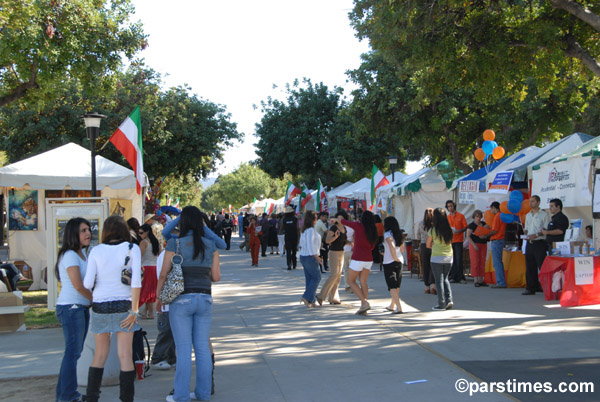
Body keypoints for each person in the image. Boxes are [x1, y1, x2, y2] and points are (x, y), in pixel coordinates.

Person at [156, 206, 221, 402]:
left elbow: (163, 274)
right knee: (201, 347)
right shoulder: (211, 245)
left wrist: (159, 298)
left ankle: (181, 395)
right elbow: (216, 277)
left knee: (183, 349)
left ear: (182, 222)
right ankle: (203, 393)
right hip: (204, 298)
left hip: (181, 300)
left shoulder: (175, 244)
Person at [83, 215, 142, 402]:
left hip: (100, 305)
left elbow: (87, 282)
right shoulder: (132, 248)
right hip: (125, 305)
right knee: (125, 355)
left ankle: (92, 397)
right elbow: (136, 282)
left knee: (99, 355)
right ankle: (126, 399)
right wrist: (134, 310)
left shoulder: (96, 250)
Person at [55, 217, 93, 402]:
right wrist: (95, 300)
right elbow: (78, 285)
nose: (88, 233)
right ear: (73, 234)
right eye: (83, 231)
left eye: (88, 229)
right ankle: (68, 396)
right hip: (71, 308)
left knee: (73, 353)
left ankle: (65, 395)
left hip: (80, 308)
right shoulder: (70, 255)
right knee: (73, 353)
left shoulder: (82, 254)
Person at [339, 210, 378, 314]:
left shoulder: (358, 226)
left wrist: (338, 219)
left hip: (358, 258)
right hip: (368, 258)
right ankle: (363, 305)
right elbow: (373, 246)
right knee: (363, 282)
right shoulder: (374, 230)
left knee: (351, 281)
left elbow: (345, 222)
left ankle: (364, 302)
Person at [150, 249, 176, 370]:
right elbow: (162, 276)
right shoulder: (167, 254)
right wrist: (159, 297)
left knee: (172, 332)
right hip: (166, 300)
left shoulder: (170, 253)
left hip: (171, 299)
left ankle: (171, 357)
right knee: (166, 330)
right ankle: (157, 357)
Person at [316, 212, 347, 305]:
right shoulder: (334, 228)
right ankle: (321, 296)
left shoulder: (344, 228)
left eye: (342, 218)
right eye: (338, 218)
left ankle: (333, 298)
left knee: (338, 277)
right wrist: (335, 237)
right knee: (334, 275)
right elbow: (328, 240)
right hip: (333, 252)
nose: (340, 220)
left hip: (341, 253)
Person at [522, 196, 551, 295]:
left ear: (538, 202)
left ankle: (546, 287)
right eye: (530, 201)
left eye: (533, 201)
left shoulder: (544, 215)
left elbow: (546, 230)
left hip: (540, 242)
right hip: (530, 243)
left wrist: (537, 234)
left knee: (542, 265)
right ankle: (531, 287)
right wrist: (525, 234)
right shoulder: (528, 215)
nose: (530, 203)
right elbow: (527, 228)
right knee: (530, 266)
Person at [427, 208, 454, 311]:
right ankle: (449, 299)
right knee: (446, 279)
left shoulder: (433, 230)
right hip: (449, 257)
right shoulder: (449, 229)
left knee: (439, 281)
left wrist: (434, 244)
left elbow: (428, 245)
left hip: (437, 257)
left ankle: (441, 303)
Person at [298, 211, 322, 308]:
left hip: (304, 255)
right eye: (316, 217)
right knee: (317, 277)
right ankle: (306, 297)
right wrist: (318, 257)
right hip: (310, 256)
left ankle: (310, 300)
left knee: (310, 278)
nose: (317, 219)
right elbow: (311, 246)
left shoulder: (304, 230)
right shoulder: (311, 231)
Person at [382, 216, 405, 314]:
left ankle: (399, 307)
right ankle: (392, 305)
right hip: (400, 260)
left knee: (391, 285)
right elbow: (402, 249)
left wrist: (393, 256)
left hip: (389, 261)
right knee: (397, 284)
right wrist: (397, 256)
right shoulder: (400, 234)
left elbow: (391, 246)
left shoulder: (387, 234)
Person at [139, 223, 161, 319]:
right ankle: (146, 311)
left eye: (141, 232)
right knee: (151, 291)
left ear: (147, 232)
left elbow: (140, 256)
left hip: (146, 268)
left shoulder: (144, 243)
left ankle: (151, 312)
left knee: (146, 291)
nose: (140, 235)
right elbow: (160, 256)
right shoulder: (156, 242)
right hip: (155, 268)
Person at [466, 210, 490, 287]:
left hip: (483, 244)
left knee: (482, 261)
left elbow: (488, 232)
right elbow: (468, 236)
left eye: (479, 217)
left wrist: (486, 235)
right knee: (475, 262)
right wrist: (473, 245)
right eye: (477, 217)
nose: (478, 218)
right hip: (475, 244)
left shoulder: (483, 224)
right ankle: (475, 280)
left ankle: (481, 279)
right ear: (474, 217)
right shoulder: (471, 225)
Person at [446, 200, 467, 283]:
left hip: (458, 240)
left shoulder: (461, 216)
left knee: (459, 258)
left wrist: (459, 230)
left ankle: (461, 277)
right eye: (448, 206)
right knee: (452, 259)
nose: (450, 208)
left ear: (454, 206)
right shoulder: (447, 217)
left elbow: (465, 227)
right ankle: (453, 277)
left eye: (451, 206)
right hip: (451, 240)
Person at [487, 201, 507, 288]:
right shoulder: (502, 216)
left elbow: (495, 230)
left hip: (497, 239)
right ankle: (501, 281)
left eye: (491, 209)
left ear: (494, 208)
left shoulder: (497, 216)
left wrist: (486, 235)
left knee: (497, 262)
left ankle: (501, 282)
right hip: (500, 239)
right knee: (498, 262)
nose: (491, 211)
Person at [415, 208, 436, 295]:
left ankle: (427, 287)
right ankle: (434, 286)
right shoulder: (435, 224)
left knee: (425, 266)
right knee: (433, 265)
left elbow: (418, 237)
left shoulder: (421, 224)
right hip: (433, 245)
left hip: (423, 245)